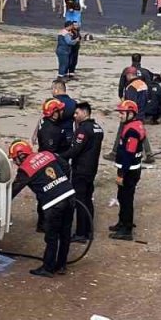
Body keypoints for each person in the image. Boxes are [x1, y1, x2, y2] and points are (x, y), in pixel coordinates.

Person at [8, 140, 75, 277]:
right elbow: (66, 167)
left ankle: (48, 268)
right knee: (65, 234)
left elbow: (13, 191)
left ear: (21, 156)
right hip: (70, 196)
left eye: (15, 159)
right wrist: (61, 184)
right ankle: (61, 265)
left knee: (51, 237)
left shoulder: (25, 169)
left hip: (54, 204)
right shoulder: (47, 154)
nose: (15, 163)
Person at [61, 102, 104, 243]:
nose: (74, 116)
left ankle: (80, 233)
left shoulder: (83, 130)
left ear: (85, 113)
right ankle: (89, 230)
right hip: (92, 169)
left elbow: (75, 150)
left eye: (77, 113)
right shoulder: (98, 128)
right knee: (88, 199)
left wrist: (59, 157)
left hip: (81, 169)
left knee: (79, 201)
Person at [109, 100, 146, 240]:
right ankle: (122, 223)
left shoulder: (132, 130)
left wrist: (121, 174)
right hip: (131, 169)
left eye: (122, 113)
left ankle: (126, 229)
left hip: (129, 171)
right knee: (122, 197)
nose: (120, 115)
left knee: (126, 200)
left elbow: (128, 154)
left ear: (131, 113)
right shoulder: (135, 125)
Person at [34, 98, 71, 232]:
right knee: (49, 194)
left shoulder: (46, 122)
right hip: (50, 165)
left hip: (45, 160)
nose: (62, 112)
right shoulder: (51, 130)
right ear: (54, 113)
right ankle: (44, 223)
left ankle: (43, 222)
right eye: (60, 110)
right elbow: (50, 152)